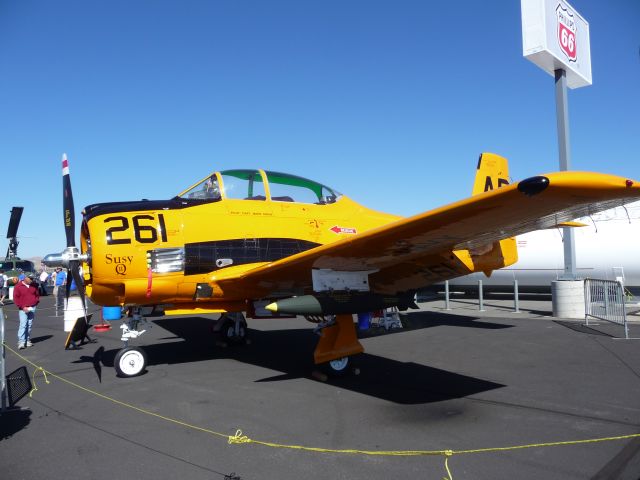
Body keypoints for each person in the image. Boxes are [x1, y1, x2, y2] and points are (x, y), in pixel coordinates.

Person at [13, 274, 40, 349]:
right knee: (23, 324)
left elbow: (37, 295)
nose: (32, 280)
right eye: (30, 278)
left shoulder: (34, 285)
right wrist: (22, 307)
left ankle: (27, 340)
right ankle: (21, 341)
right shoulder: (18, 286)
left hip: (32, 307)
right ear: (25, 278)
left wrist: (35, 302)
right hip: (23, 308)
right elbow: (16, 298)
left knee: (30, 324)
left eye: (32, 279)